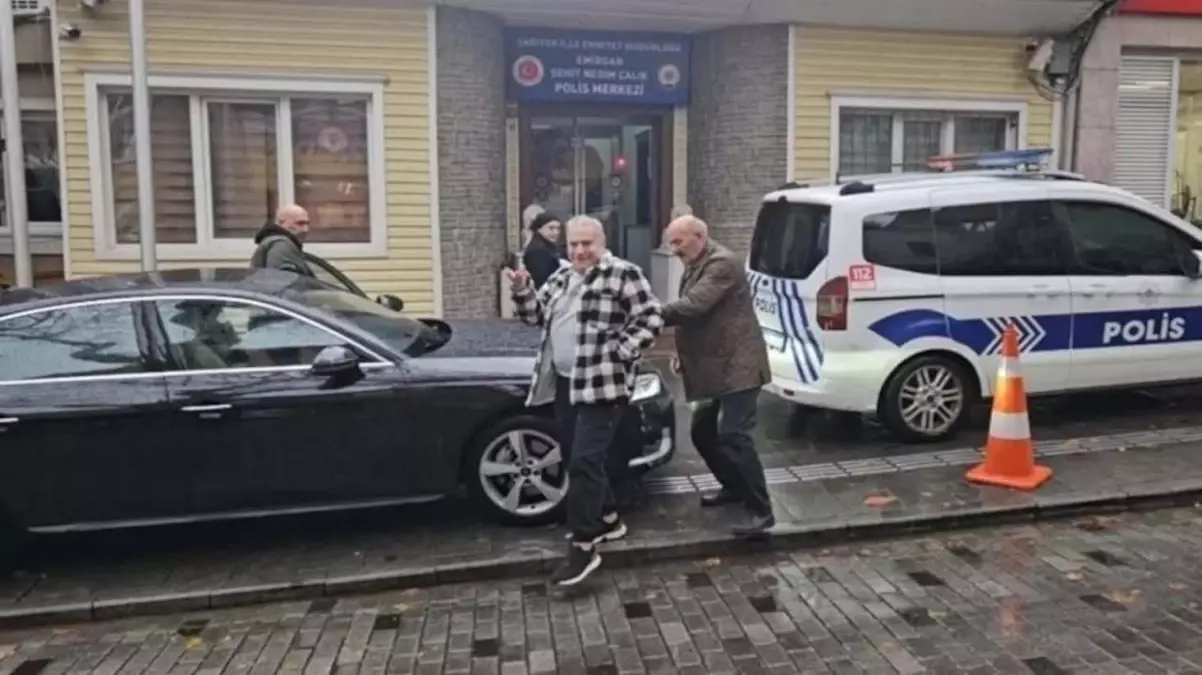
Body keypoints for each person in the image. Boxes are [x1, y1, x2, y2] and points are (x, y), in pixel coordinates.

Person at [507, 215, 664, 586]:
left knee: (584, 463)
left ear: (602, 243)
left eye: (586, 244)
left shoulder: (623, 274)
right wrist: (523, 289)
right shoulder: (562, 276)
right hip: (565, 383)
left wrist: (620, 351)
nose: (579, 251)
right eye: (574, 244)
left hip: (603, 385)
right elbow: (534, 316)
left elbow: (652, 318)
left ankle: (583, 545)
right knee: (575, 456)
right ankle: (608, 518)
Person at [662, 215, 775, 537]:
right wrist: (680, 352)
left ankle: (761, 510)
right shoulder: (696, 261)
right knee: (702, 431)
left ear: (700, 236)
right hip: (717, 365)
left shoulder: (722, 263)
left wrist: (647, 312)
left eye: (678, 241)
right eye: (671, 242)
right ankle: (734, 487)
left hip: (739, 365)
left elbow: (694, 306)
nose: (674, 249)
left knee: (734, 434)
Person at [250, 204, 314, 276]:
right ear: (281, 223)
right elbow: (283, 278)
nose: (306, 229)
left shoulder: (274, 242)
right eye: (300, 223)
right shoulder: (281, 244)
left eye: (307, 224)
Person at [523, 212, 565, 289]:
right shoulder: (537, 251)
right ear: (539, 228)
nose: (556, 232)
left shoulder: (549, 246)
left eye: (558, 228)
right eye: (551, 228)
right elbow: (541, 280)